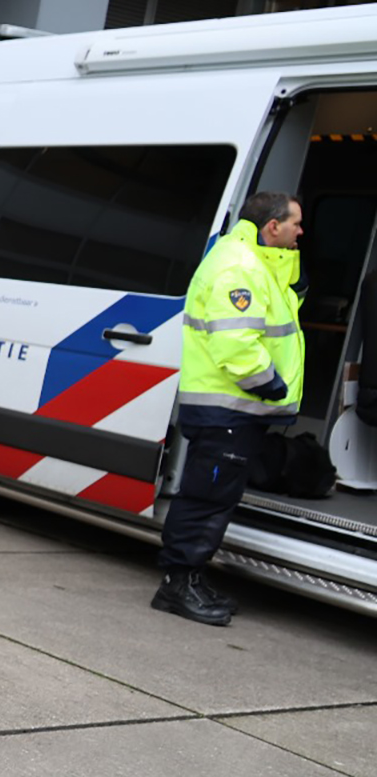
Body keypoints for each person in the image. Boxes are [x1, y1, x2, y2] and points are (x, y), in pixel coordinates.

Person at [152, 190, 305, 626]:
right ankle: (177, 586)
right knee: (205, 499)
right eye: (295, 222)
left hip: (232, 413)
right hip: (228, 411)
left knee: (214, 497)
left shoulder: (251, 261)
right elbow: (235, 342)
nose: (301, 231)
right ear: (272, 227)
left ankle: (189, 579)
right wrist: (270, 386)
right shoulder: (238, 266)